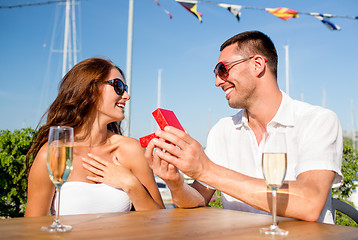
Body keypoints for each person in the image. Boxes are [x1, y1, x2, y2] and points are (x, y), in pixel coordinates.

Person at [145, 31, 343, 224]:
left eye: (222, 69)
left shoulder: (318, 120)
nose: (217, 81)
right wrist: (175, 182)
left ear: (257, 64)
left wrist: (205, 169)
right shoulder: (223, 130)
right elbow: (197, 199)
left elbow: (310, 203)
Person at [25, 57, 164, 217]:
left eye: (125, 88)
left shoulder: (131, 150)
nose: (127, 96)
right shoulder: (54, 153)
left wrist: (131, 184)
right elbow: (33, 228)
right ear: (89, 88)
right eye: (118, 87)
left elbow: (159, 220)